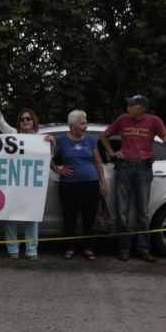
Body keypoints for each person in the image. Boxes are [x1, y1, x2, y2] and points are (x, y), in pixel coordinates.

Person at [101, 94, 166, 262]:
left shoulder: (154, 121)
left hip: (144, 169)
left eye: (130, 105)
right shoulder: (122, 119)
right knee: (122, 211)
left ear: (140, 108)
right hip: (124, 168)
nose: (127, 109)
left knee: (143, 212)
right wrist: (112, 153)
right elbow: (105, 136)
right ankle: (124, 249)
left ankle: (143, 249)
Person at [0, 94, 54, 260]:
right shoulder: (14, 135)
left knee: (32, 217)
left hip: (31, 185)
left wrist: (53, 143)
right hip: (13, 183)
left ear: (34, 121)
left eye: (28, 119)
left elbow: (48, 160)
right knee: (11, 216)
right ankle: (13, 250)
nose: (25, 121)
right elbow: (1, 124)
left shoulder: (40, 140)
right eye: (22, 119)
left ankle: (32, 250)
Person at [50, 110, 108, 260]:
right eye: (82, 123)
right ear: (72, 126)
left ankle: (89, 247)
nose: (85, 126)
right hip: (69, 184)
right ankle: (69, 247)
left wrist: (103, 183)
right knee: (70, 216)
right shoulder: (62, 140)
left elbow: (98, 162)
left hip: (90, 183)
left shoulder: (90, 140)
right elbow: (47, 157)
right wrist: (58, 170)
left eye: (85, 123)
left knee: (89, 216)